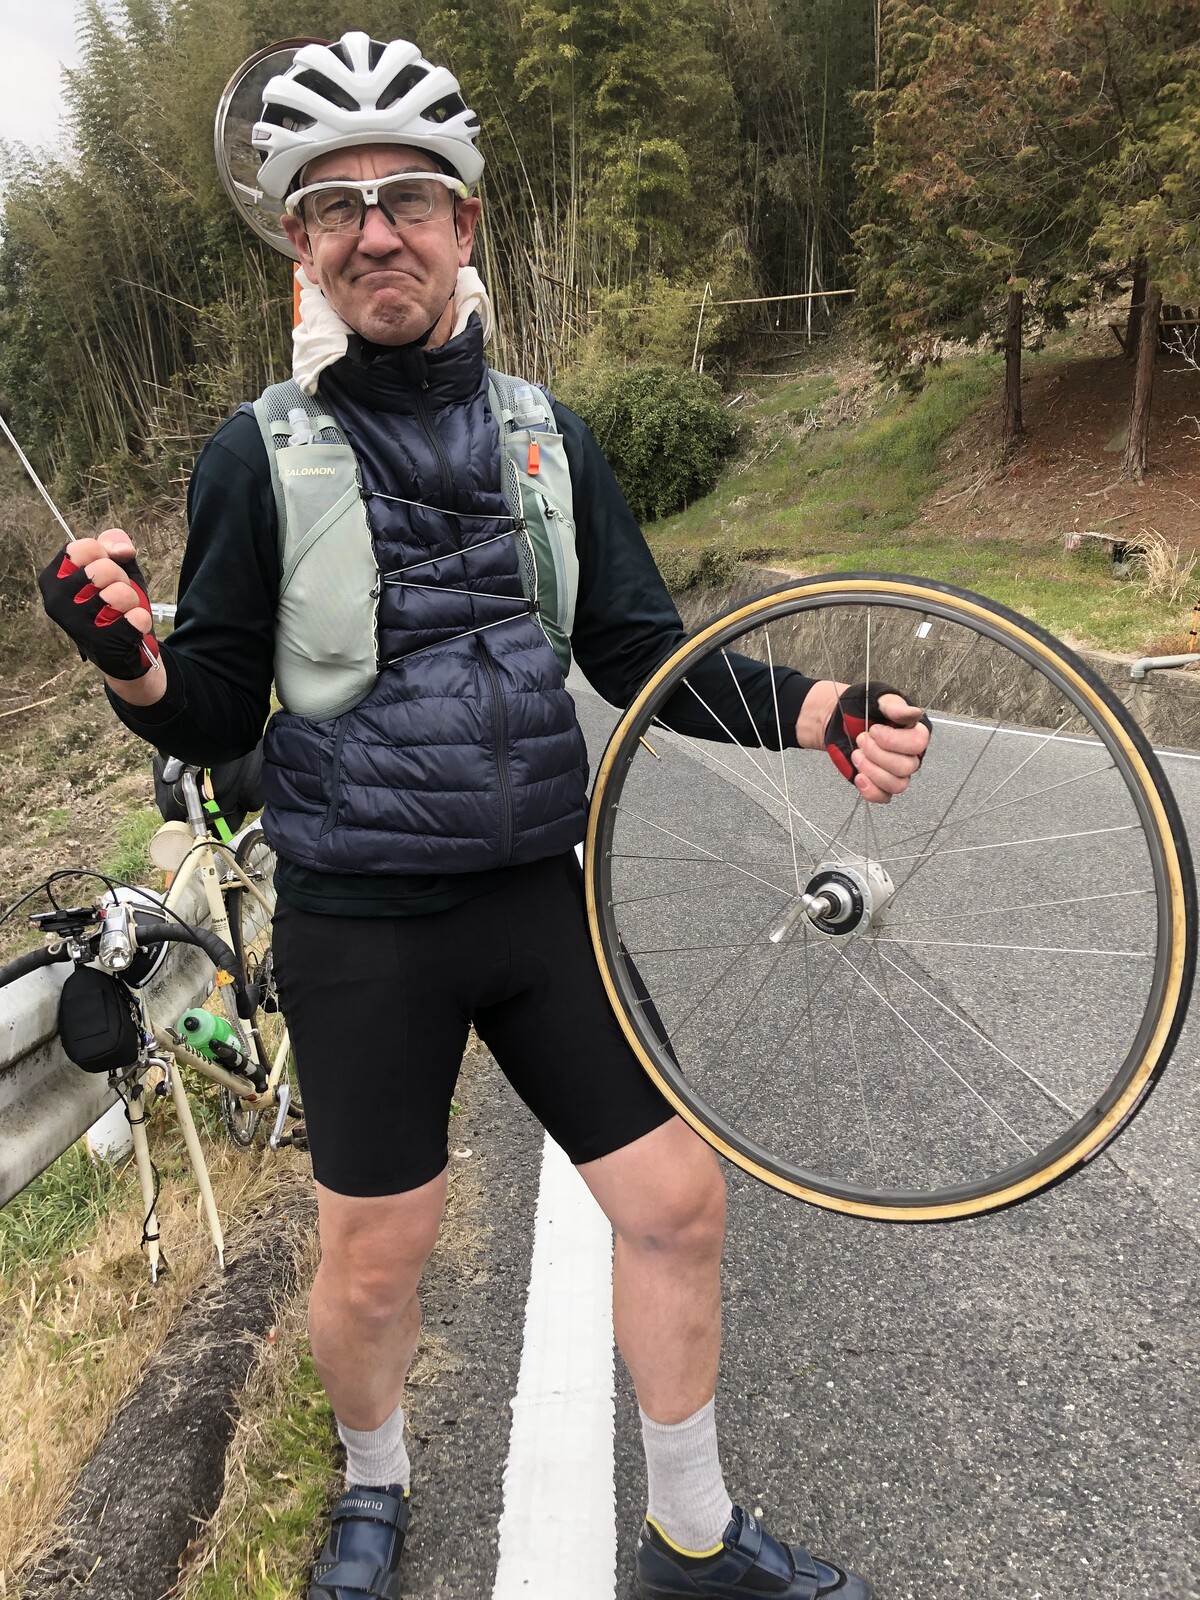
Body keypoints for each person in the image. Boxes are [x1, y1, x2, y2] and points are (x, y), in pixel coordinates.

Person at [39, 33, 928, 1600]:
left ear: (463, 225)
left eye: (408, 197)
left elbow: (643, 656)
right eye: (337, 205)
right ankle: (373, 1492)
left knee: (675, 1206)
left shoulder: (546, 437)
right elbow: (214, 707)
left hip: (541, 898)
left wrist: (819, 713)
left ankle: (695, 1539)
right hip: (363, 921)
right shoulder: (256, 451)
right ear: (302, 249)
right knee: (377, 1257)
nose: (375, 230)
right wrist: (126, 657)